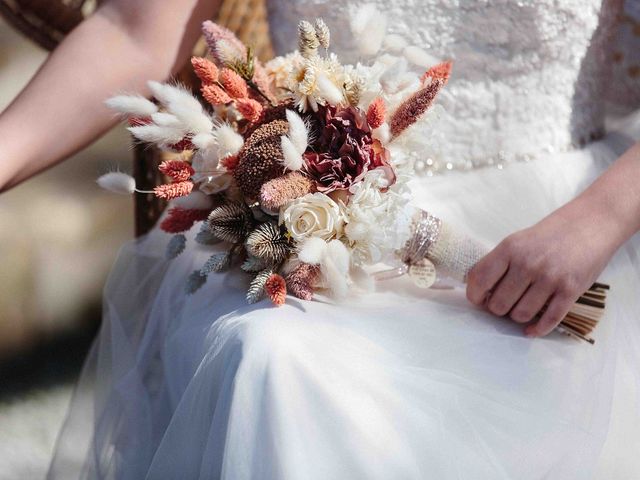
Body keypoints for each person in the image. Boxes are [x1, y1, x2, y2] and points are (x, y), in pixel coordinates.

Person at [0, 0, 638, 478]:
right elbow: (133, 33)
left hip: (568, 217)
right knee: (272, 358)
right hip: (312, 220)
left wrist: (598, 221)